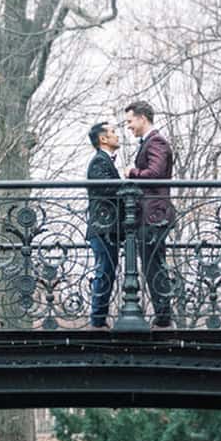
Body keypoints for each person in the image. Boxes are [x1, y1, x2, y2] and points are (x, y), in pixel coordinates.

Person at [123, 100, 177, 328]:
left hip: (154, 214)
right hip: (152, 214)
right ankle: (163, 315)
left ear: (142, 118)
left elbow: (154, 173)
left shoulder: (157, 142)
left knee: (153, 264)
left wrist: (131, 172)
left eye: (130, 121)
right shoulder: (151, 142)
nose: (128, 126)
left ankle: (164, 317)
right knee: (152, 263)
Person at [85, 120, 123, 327]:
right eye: (113, 132)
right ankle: (97, 321)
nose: (117, 135)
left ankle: (99, 319)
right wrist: (126, 183)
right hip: (103, 228)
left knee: (107, 270)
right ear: (103, 139)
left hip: (109, 228)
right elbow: (105, 189)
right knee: (104, 271)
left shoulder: (104, 161)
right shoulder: (99, 161)